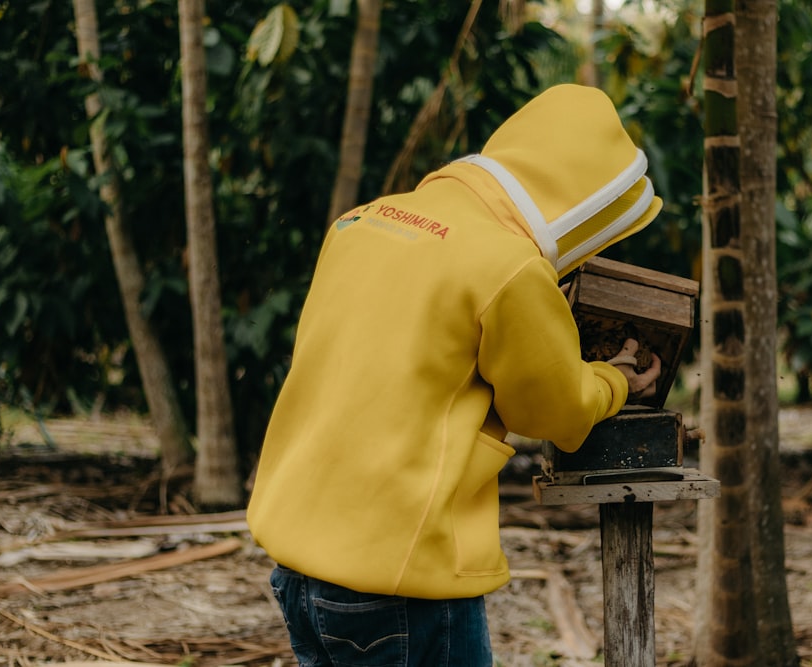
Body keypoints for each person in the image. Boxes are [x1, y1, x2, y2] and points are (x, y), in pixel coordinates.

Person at [246, 83, 664, 666]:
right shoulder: (508, 265)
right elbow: (556, 414)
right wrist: (615, 378)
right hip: (400, 580)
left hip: (299, 569)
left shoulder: (362, 220)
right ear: (579, 203)